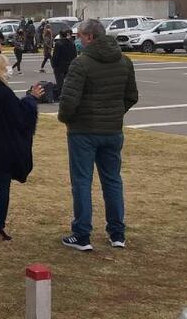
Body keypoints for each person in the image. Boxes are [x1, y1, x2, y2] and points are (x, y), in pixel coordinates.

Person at [57, 19, 139, 251]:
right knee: (112, 180)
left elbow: (69, 100)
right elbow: (131, 96)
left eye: (80, 36)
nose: (78, 40)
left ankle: (82, 234)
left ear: (90, 37)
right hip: (112, 130)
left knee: (82, 181)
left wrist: (66, 118)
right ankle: (117, 233)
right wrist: (114, 113)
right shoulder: (124, 61)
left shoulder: (81, 63)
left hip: (83, 131)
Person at [0, 53, 44, 242]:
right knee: (3, 186)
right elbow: (20, 116)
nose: (8, 68)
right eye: (6, 65)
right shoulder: (3, 92)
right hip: (4, 147)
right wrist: (31, 99)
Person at [51, 29, 77, 101]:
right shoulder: (72, 43)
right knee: (68, 82)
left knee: (60, 82)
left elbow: (56, 56)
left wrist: (54, 65)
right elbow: (74, 55)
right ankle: (68, 95)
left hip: (60, 66)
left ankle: (61, 95)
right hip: (69, 65)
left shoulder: (58, 44)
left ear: (60, 35)